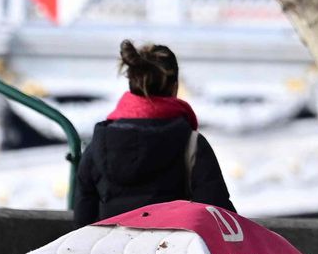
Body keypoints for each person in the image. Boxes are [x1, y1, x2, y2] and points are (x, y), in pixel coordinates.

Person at [73, 40, 234, 225]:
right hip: (171, 251)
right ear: (174, 87)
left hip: (111, 251)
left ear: (132, 85)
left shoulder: (98, 145)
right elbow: (218, 214)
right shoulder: (191, 144)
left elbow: (82, 221)